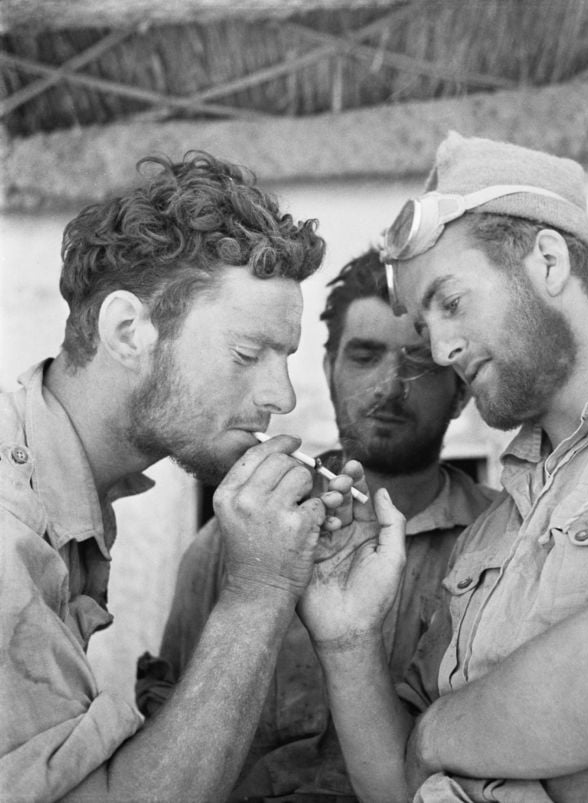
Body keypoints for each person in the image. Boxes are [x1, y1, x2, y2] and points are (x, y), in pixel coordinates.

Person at [297, 132, 588, 802]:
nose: (441, 346)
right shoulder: (490, 532)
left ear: (547, 261)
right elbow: (394, 785)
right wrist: (347, 638)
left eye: (451, 302)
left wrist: (433, 736)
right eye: (425, 325)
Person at [0, 151, 382, 802]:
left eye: (284, 356)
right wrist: (261, 588)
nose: (282, 397)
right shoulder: (9, 531)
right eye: (246, 353)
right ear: (128, 330)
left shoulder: (64, 488)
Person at [136, 249, 498, 800]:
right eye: (365, 355)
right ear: (328, 370)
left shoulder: (506, 545)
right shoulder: (235, 543)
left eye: (420, 361)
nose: (391, 383)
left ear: (460, 392)